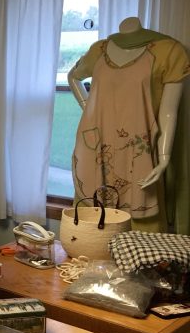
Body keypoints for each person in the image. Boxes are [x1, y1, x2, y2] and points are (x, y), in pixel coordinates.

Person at [68, 16, 189, 231]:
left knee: (142, 228)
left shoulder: (169, 51)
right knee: (92, 226)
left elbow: (169, 112)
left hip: (138, 149)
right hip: (96, 146)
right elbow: (73, 76)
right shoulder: (99, 50)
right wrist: (89, 108)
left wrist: (163, 157)